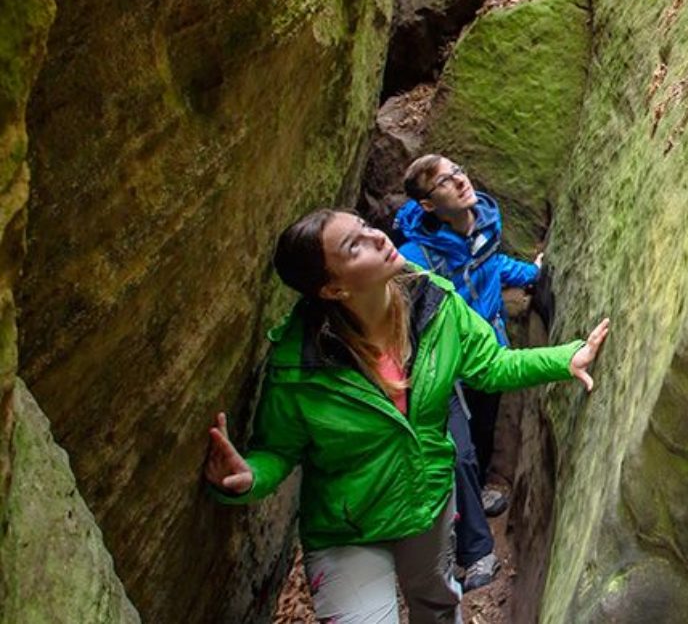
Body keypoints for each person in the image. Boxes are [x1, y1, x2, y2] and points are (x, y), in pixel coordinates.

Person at [202, 209, 610, 624]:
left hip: (425, 503)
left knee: (436, 605)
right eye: (354, 245)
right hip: (348, 529)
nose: (377, 237)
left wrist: (565, 358)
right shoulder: (298, 365)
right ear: (332, 288)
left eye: (365, 227)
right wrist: (249, 478)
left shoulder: (435, 306)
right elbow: (278, 449)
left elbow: (490, 366)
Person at [393, 154, 541, 588]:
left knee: (482, 431)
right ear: (427, 204)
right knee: (459, 450)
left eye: (459, 171)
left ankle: (473, 498)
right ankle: (469, 544)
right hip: (447, 366)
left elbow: (492, 268)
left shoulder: (483, 223)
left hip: (489, 352)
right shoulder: (414, 258)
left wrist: (535, 272)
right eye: (445, 181)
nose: (460, 181)